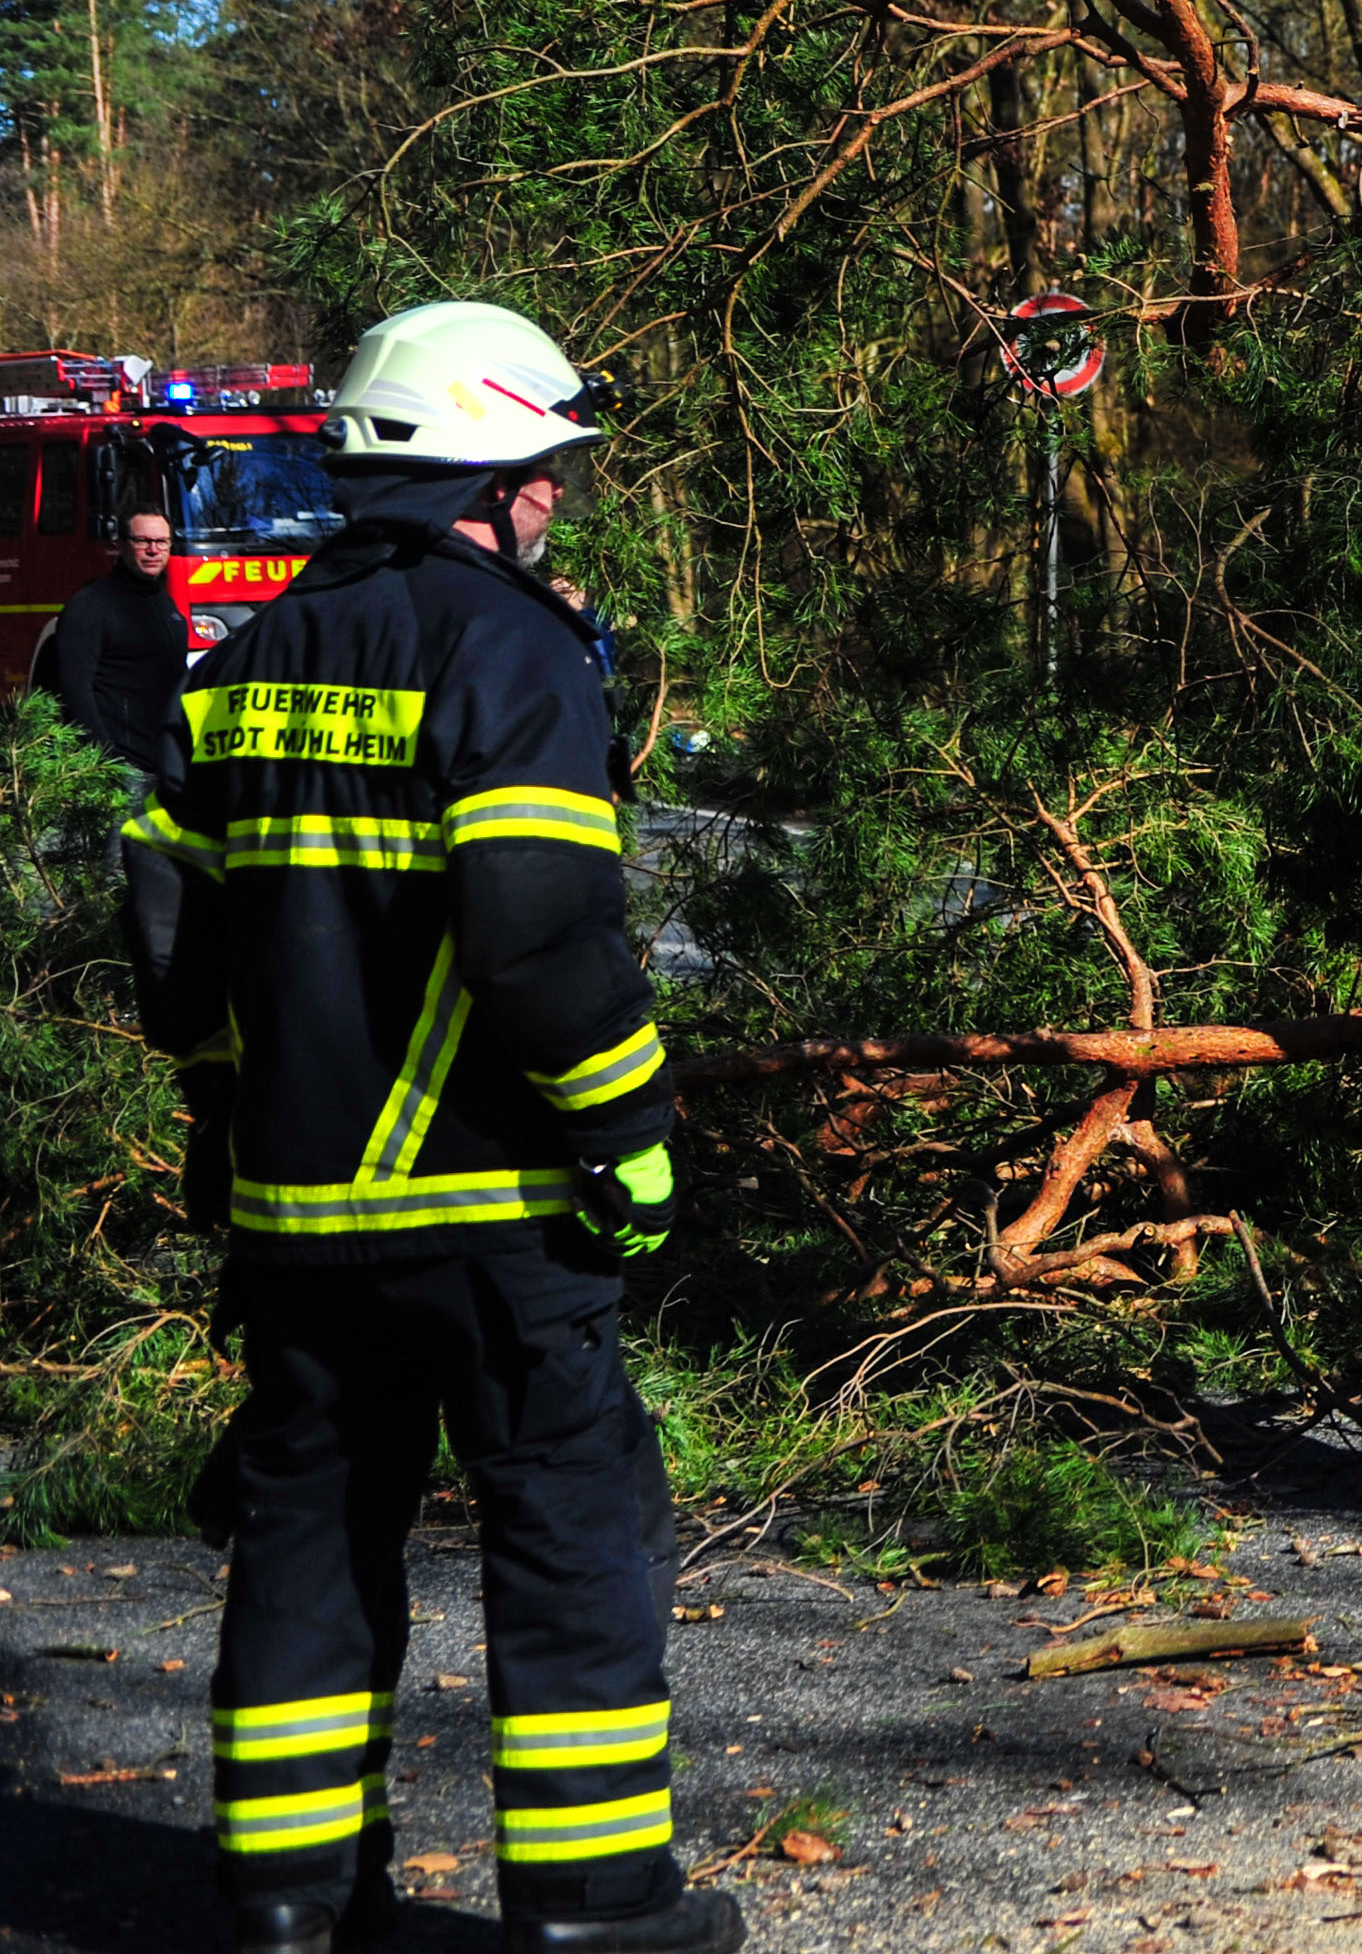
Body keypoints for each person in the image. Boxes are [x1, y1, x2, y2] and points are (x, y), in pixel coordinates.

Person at [133, 301, 735, 1954]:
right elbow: (539, 922)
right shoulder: (507, 646)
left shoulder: (252, 651)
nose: (556, 495)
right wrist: (629, 1128)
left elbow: (169, 927)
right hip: (487, 1202)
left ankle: (288, 1898)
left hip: (296, 1207)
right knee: (570, 1516)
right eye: (545, 466)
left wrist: (229, 1096)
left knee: (314, 1524)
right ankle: (597, 1906)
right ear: (491, 471)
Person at [39, 503, 190, 785]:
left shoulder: (166, 607)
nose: (153, 550)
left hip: (168, 765)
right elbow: (75, 691)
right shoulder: (91, 607)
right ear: (120, 545)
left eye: (161, 542)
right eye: (142, 540)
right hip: (123, 773)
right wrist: (106, 762)